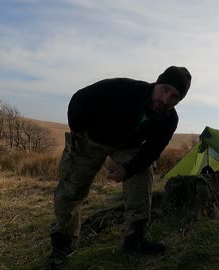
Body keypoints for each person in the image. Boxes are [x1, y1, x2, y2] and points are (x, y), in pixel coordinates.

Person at [47, 66, 192, 269]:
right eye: (165, 89)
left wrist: (128, 169)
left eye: (175, 96)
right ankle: (63, 241)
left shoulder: (169, 119)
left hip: (127, 146)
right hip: (91, 138)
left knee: (142, 175)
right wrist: (77, 132)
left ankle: (134, 238)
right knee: (71, 188)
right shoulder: (123, 89)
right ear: (157, 83)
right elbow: (79, 99)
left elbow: (151, 152)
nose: (166, 99)